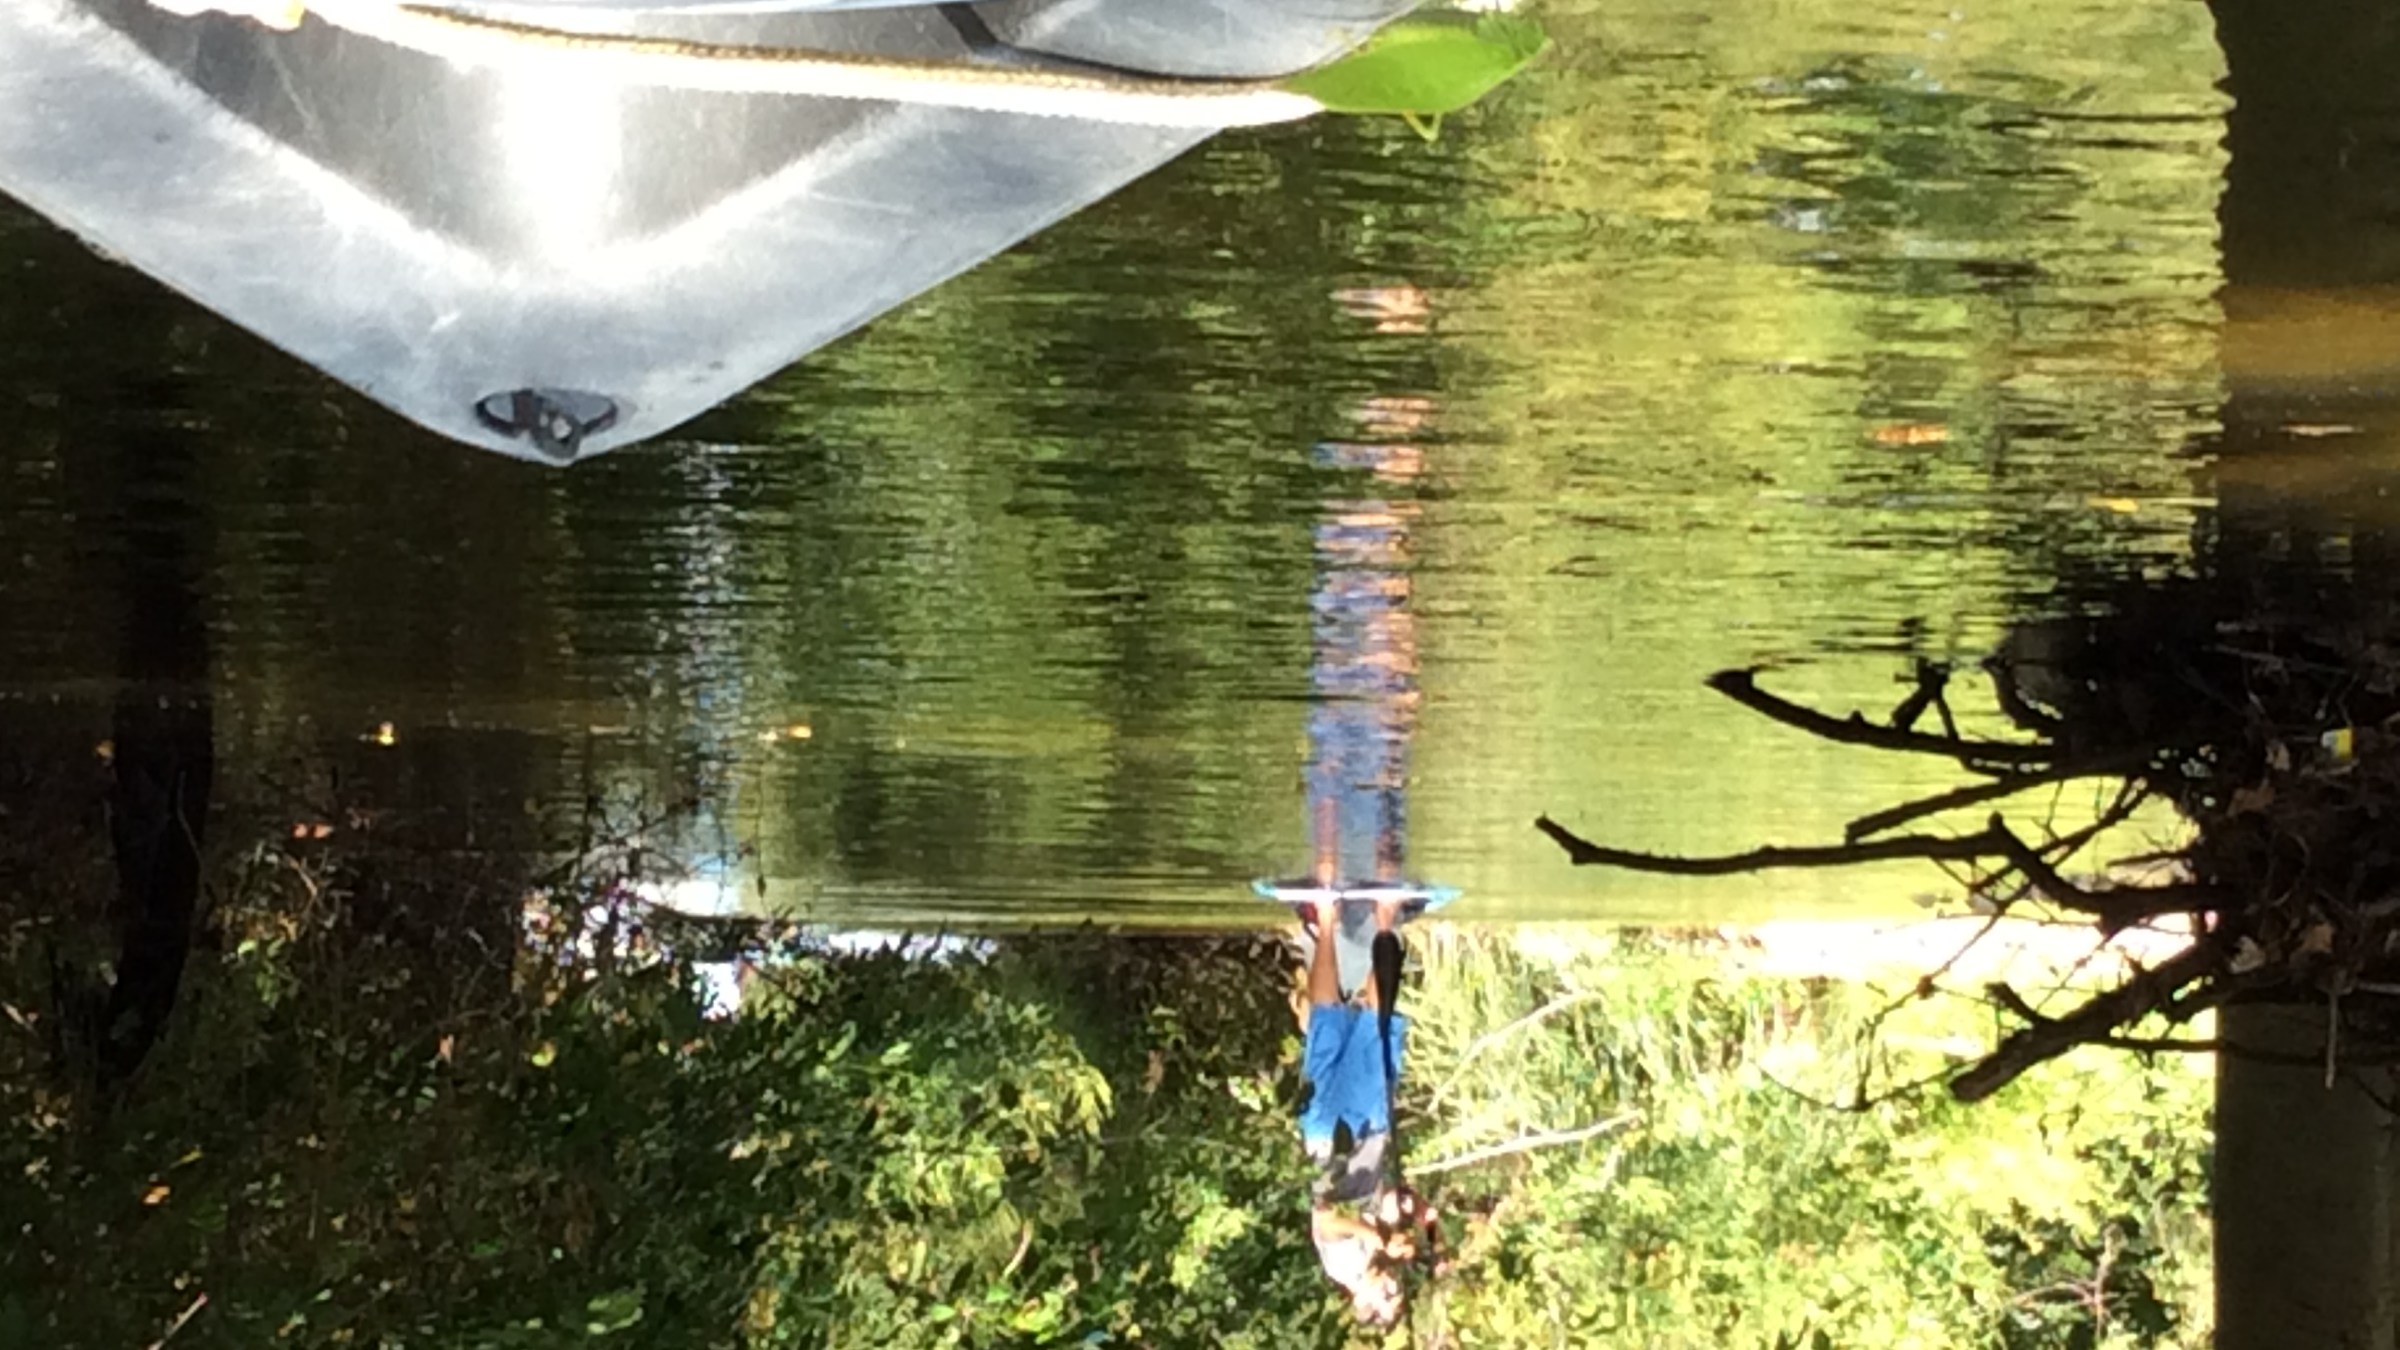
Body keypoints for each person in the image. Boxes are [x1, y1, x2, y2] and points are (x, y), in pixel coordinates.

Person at [1299, 894, 1420, 1324]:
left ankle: (1385, 914)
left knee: (1374, 1024)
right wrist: (1410, 1219)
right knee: (1326, 1023)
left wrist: (1374, 1234)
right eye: (1397, 1292)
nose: (1393, 1286)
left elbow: (1326, 1218)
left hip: (1352, 1130)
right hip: (1326, 1132)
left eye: (1387, 1296)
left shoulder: (1343, 1266)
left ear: (1362, 1302)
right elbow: (1383, 1198)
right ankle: (1326, 914)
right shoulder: (1373, 1253)